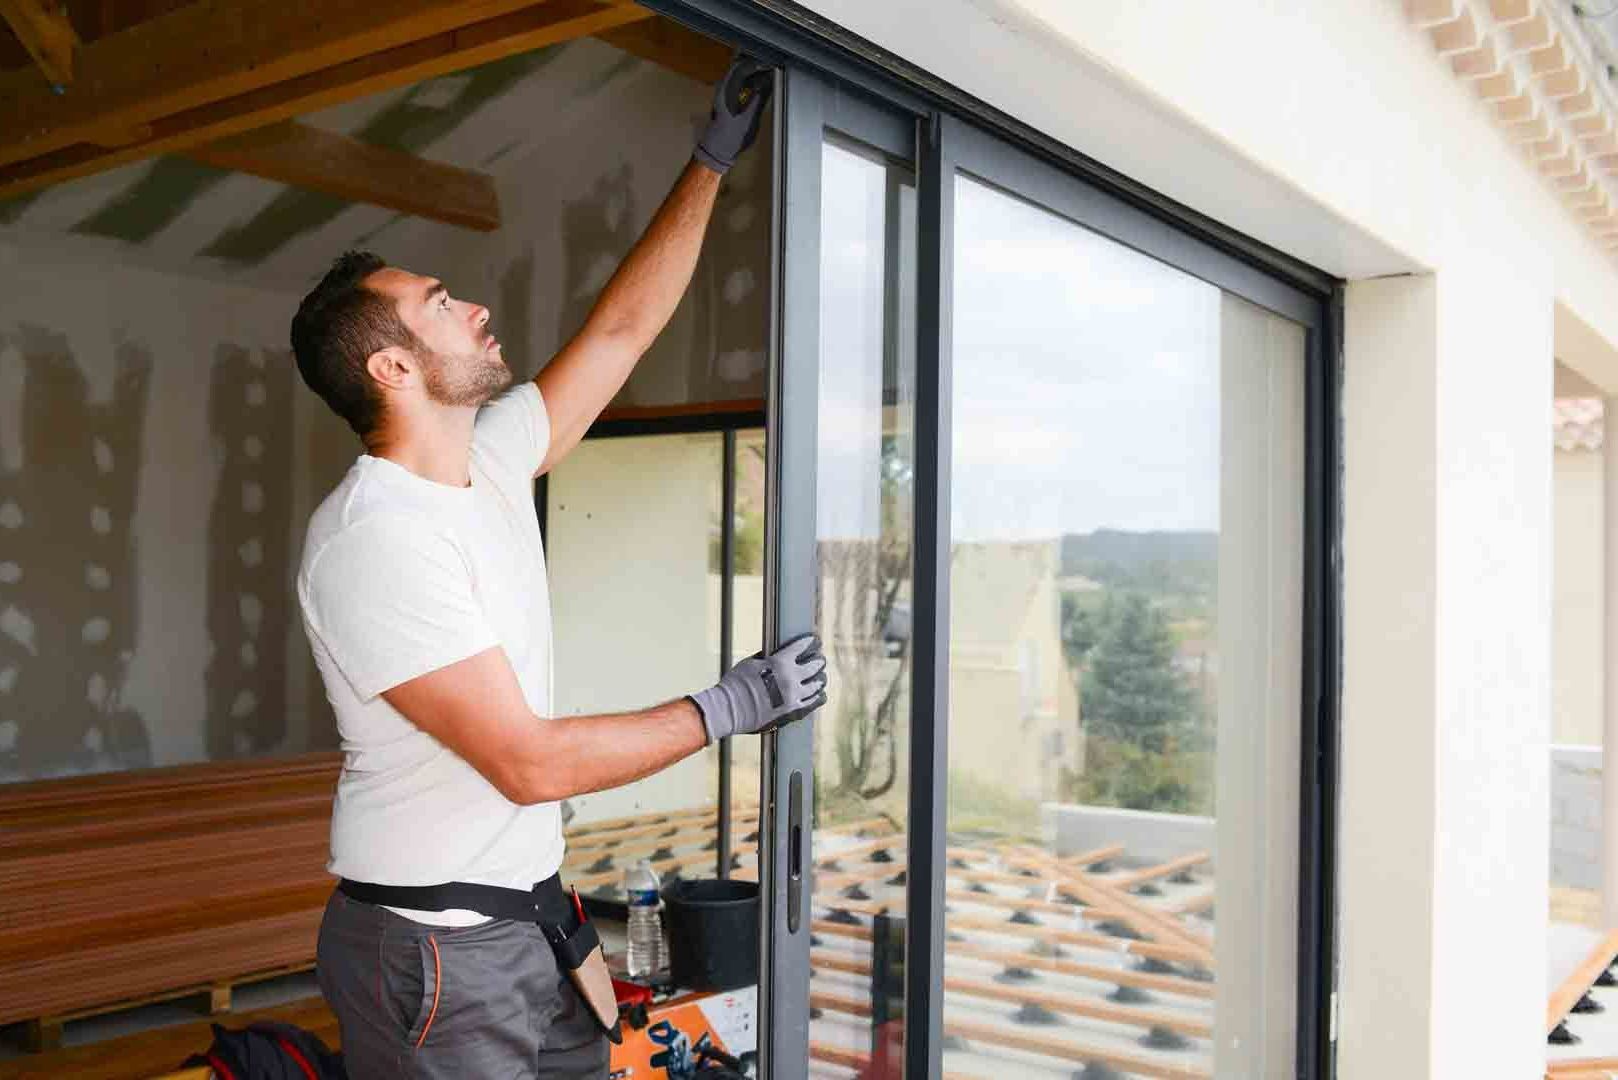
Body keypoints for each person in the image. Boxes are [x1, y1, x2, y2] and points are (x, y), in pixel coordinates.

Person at [287, 56, 826, 1079]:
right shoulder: (376, 539)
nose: (474, 309)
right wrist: (730, 706)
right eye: (441, 303)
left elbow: (622, 332)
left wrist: (710, 162)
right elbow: (526, 762)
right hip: (436, 956)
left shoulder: (488, 454)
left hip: (530, 922)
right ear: (392, 368)